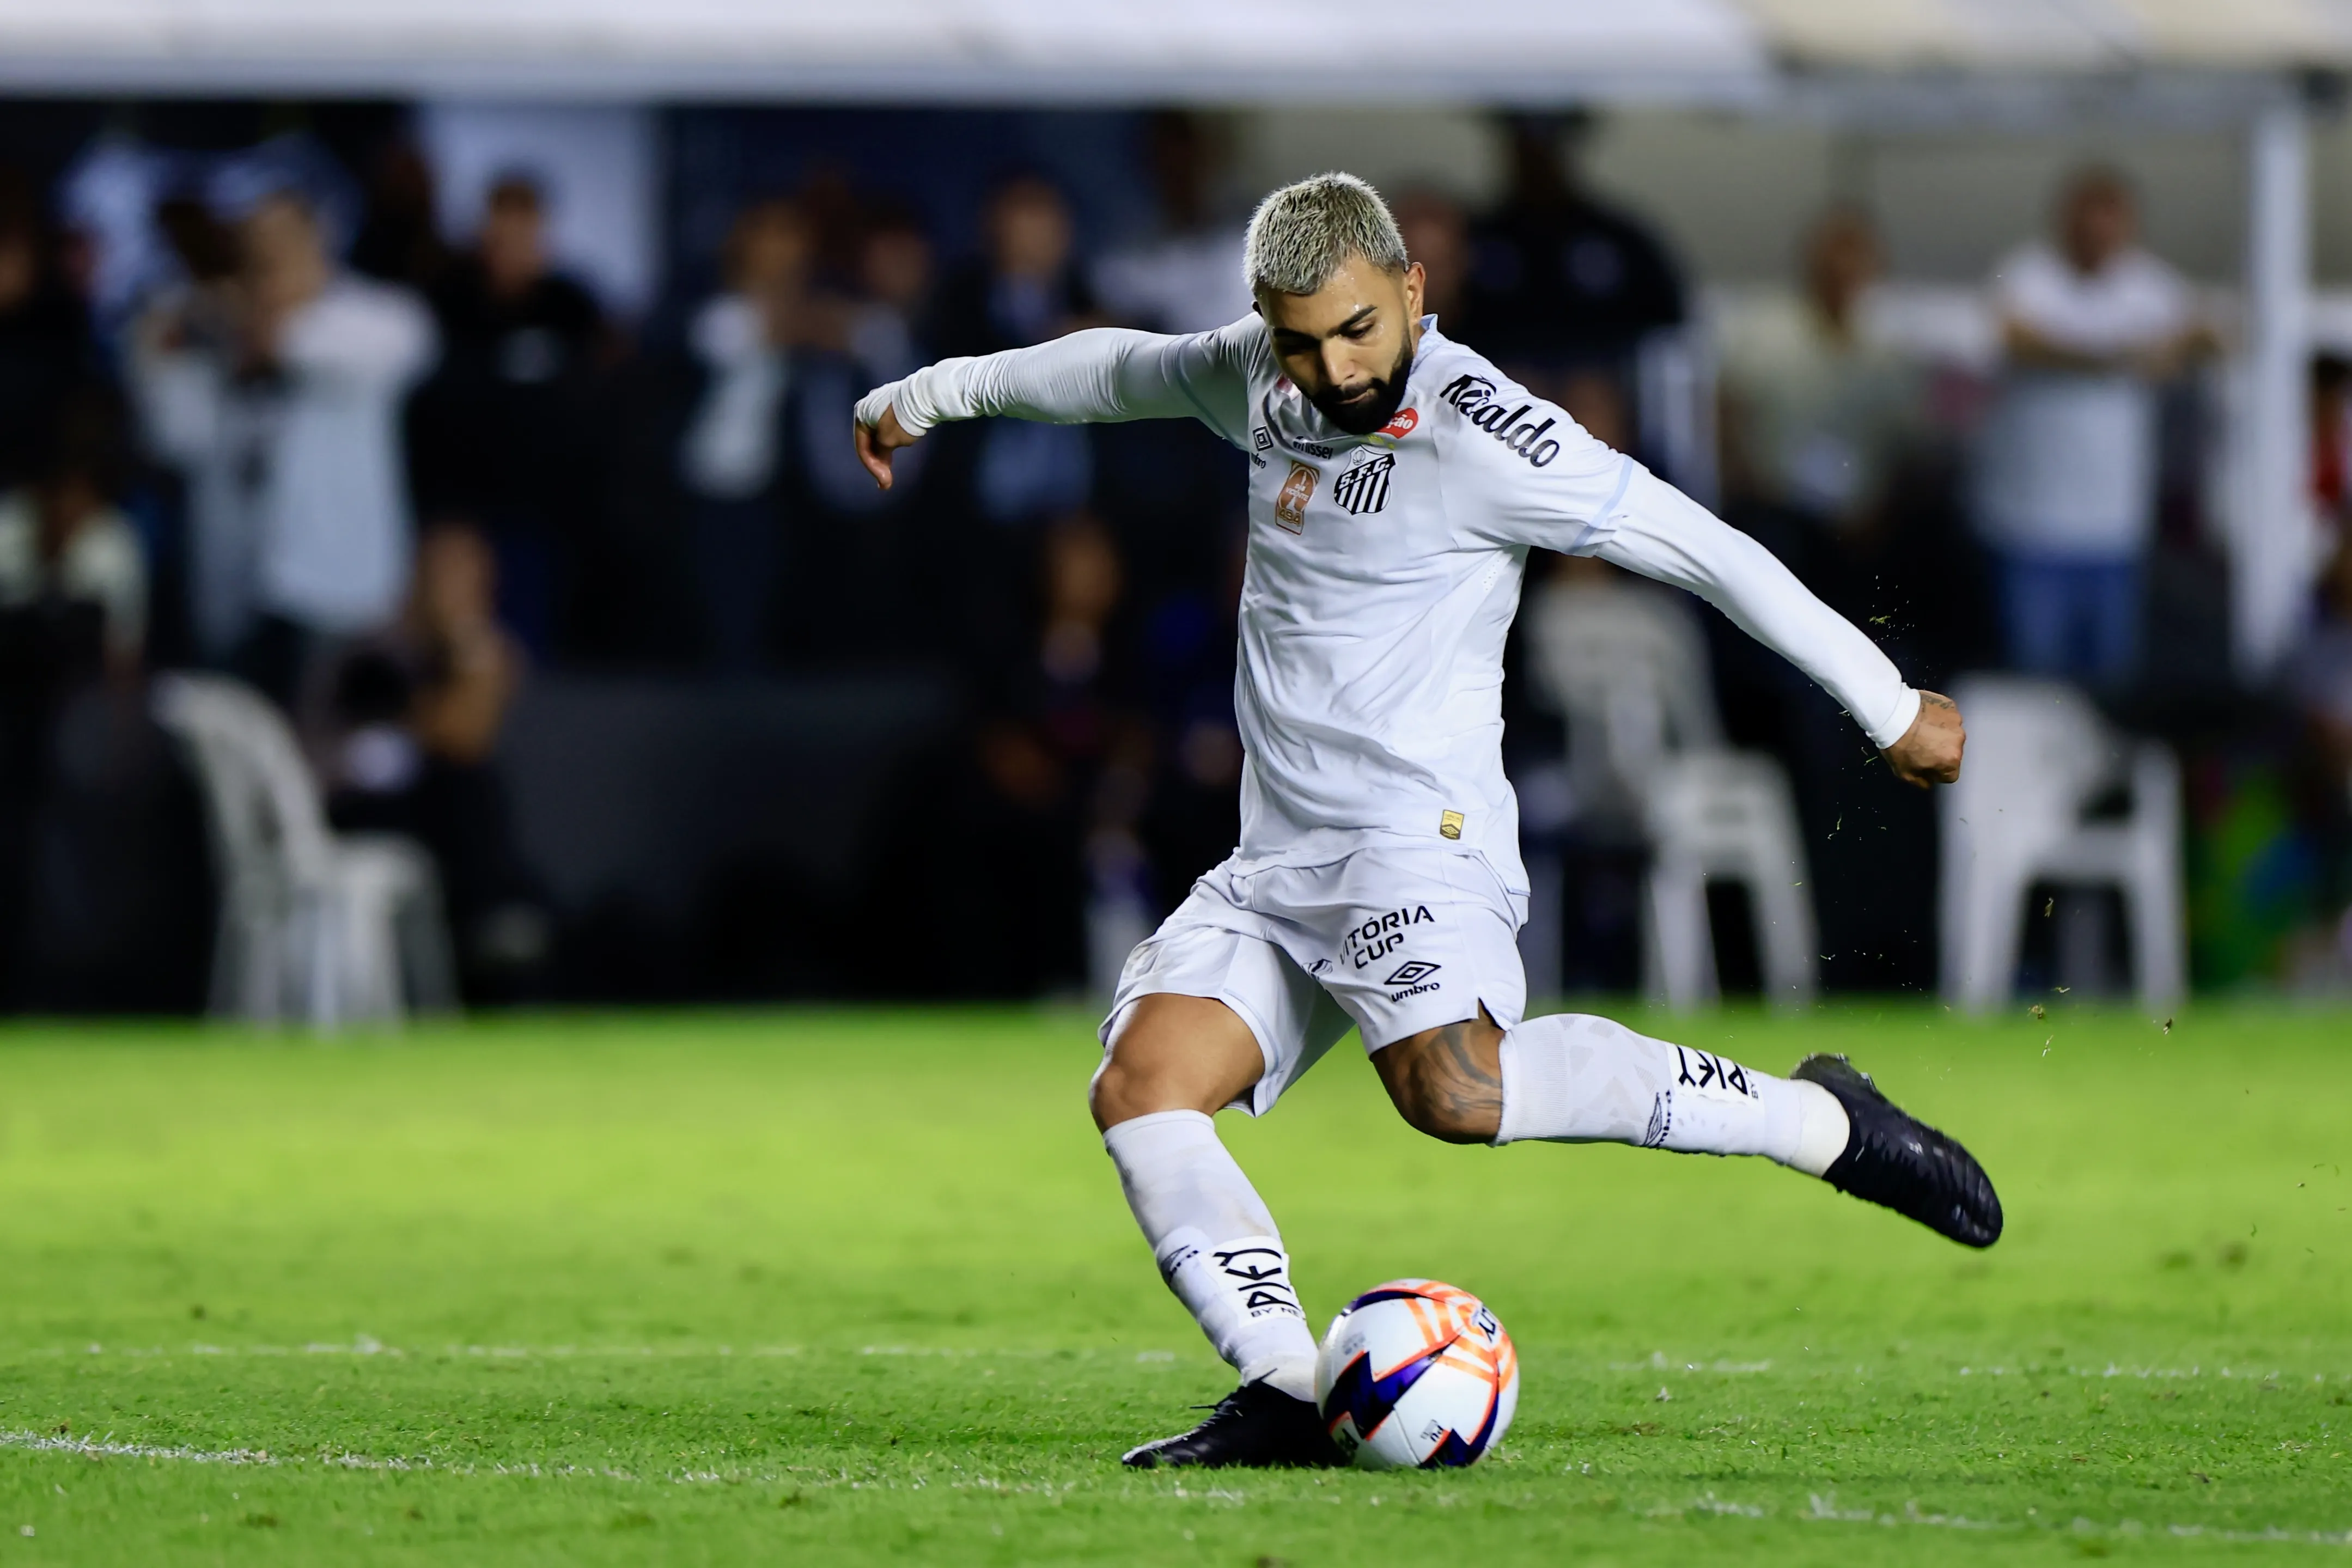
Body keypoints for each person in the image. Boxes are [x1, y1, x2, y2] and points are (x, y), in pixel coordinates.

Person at [854, 174, 1995, 1469]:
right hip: (1277, 859)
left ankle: (1821, 1123)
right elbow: (1112, 369)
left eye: (1354, 331)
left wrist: (1884, 700)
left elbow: (1701, 548)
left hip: (1416, 845)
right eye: (1296, 340)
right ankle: (1289, 1387)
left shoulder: (1485, 434)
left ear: (1410, 293)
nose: (1329, 367)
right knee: (1143, 1085)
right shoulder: (1258, 378)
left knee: (1452, 1092)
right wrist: (927, 392)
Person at [131, 188, 436, 707]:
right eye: (256, 249)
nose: (269, 264)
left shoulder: (367, 317)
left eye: (283, 247)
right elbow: (178, 439)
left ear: (317, 246)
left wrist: (260, 330)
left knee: (334, 761)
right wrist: (161, 355)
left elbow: (403, 348)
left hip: (340, 595)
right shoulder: (219, 334)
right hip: (238, 595)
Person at [1973, 167, 2209, 690]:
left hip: (2114, 531)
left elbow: (2212, 333)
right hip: (2032, 526)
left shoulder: (2146, 283)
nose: (2098, 239)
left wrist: (2172, 348)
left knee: (2112, 693)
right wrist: (2114, 356)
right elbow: (2014, 337)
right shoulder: (2029, 274)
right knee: (2035, 688)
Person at [413, 173, 606, 657]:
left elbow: (594, 392)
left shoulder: (570, 305)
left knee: (530, 638)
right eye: (501, 230)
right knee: (460, 639)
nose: (511, 245)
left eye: (524, 231)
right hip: (460, 498)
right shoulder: (447, 299)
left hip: (542, 504)